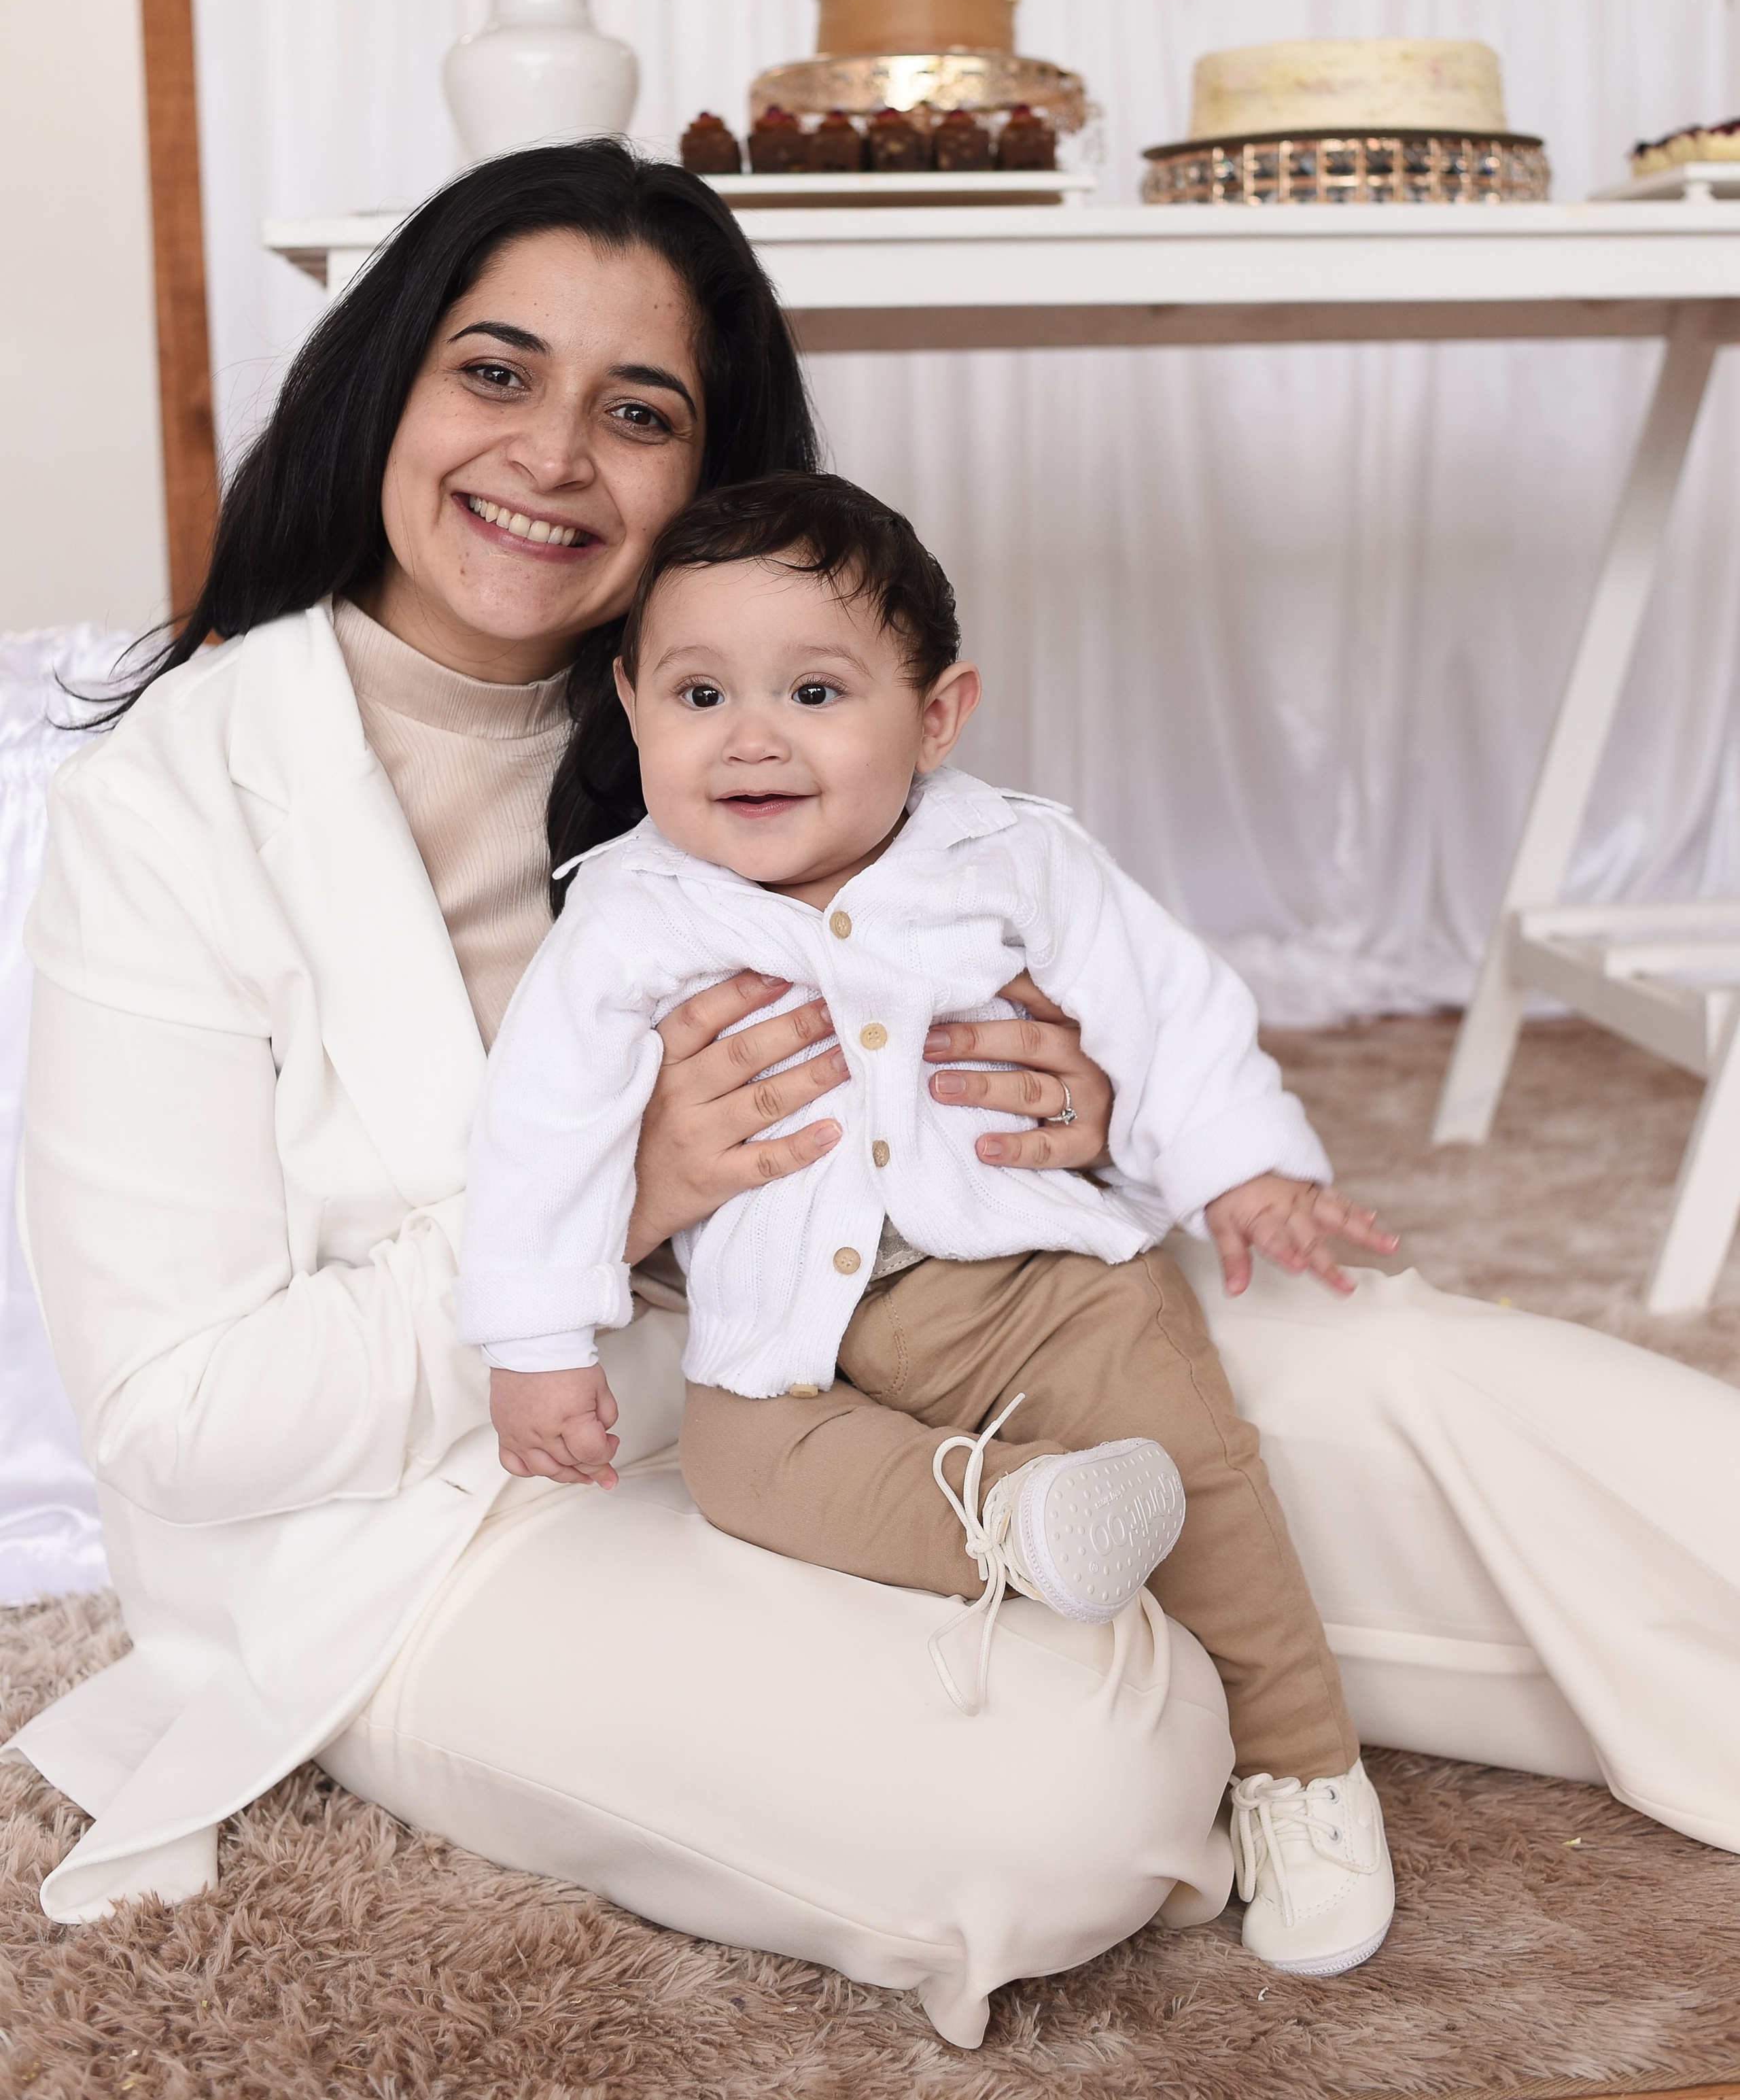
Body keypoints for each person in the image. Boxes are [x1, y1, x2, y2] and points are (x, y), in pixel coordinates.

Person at [12, 141, 1740, 2049]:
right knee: (1077, 1784)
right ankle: (1226, 1682)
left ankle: (1282, 1639)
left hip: (901, 1333)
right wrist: (631, 1197)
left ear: (713, 476)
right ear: (386, 384)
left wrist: (1068, 1109)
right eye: (495, 372)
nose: (555, 453)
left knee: (1443, 1388)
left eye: (638, 409)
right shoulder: (167, 805)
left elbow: (1021, 966)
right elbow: (181, 1426)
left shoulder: (741, 706)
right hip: (448, 1515)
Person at [461, 469, 1404, 1976]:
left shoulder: (1006, 855)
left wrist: (1241, 1168)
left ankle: (1299, 1769)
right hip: (787, 1322)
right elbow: (542, 1132)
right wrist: (533, 1336)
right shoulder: (627, 914)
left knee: (1203, 1465)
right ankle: (1021, 1513)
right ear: (630, 703)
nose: (751, 734)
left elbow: (1160, 1010)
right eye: (700, 691)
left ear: (937, 713)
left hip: (1033, 1279)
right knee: (735, 1463)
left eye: (815, 690)